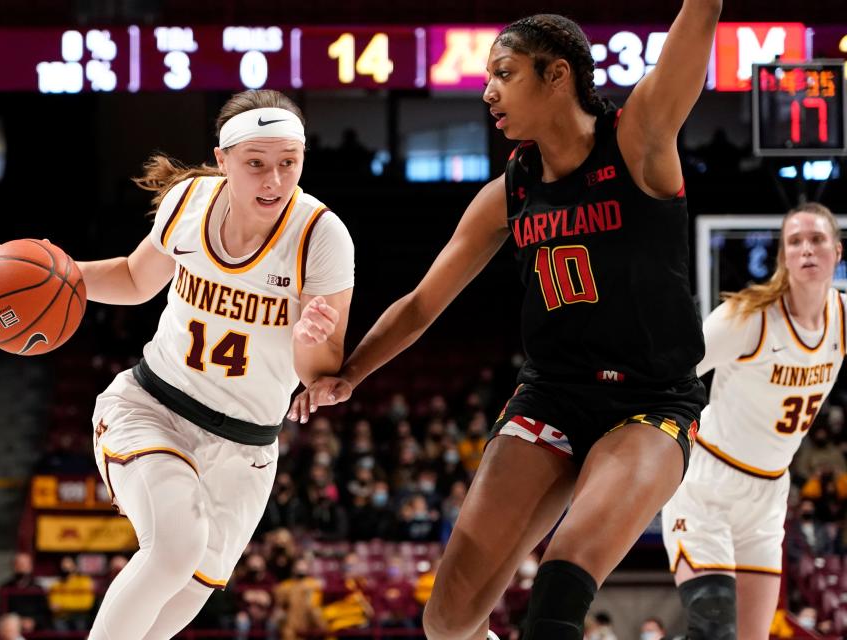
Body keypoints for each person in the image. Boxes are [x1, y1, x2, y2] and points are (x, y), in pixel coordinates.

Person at [289, 5, 720, 639]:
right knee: (447, 620)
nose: (488, 90)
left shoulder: (638, 139)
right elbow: (420, 305)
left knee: (559, 586)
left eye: (504, 73)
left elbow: (700, 19)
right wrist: (348, 374)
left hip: (648, 401)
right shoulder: (508, 192)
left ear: (557, 76)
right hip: (552, 395)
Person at [79, 89, 355, 639]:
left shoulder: (321, 236)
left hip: (247, 450)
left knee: (173, 609)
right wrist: (64, 272)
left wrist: (308, 338)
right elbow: (136, 280)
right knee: (174, 548)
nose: (273, 181)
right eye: (256, 164)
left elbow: (318, 371)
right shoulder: (188, 202)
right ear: (223, 159)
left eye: (287, 164)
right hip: (153, 406)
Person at [662, 203, 846, 640]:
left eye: (817, 239)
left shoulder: (842, 317)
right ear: (783, 256)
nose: (806, 249)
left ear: (837, 252)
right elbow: (670, 371)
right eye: (795, 241)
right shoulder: (749, 317)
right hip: (706, 485)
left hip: (768, 493)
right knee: (714, 626)